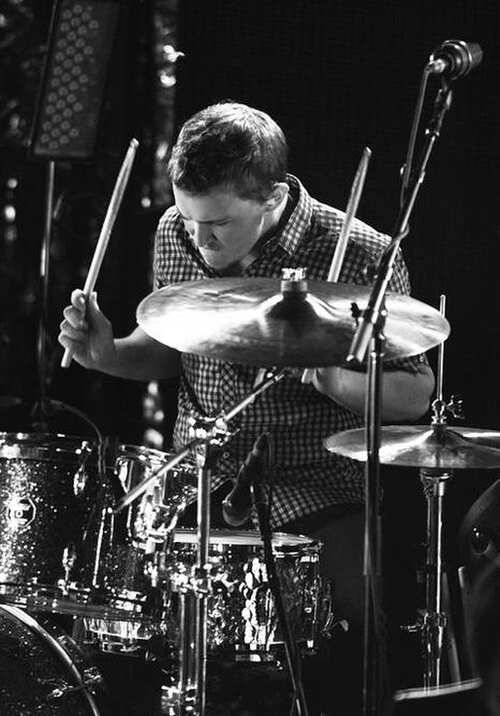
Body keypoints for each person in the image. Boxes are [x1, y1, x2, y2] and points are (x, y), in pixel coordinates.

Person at [59, 101, 435, 714]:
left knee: (352, 648)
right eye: (188, 219)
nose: (199, 239)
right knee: (111, 625)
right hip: (201, 478)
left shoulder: (361, 252)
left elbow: (413, 397)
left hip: (317, 487)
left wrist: (336, 380)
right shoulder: (174, 232)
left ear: (271, 196)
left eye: (218, 224)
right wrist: (106, 354)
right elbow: (168, 349)